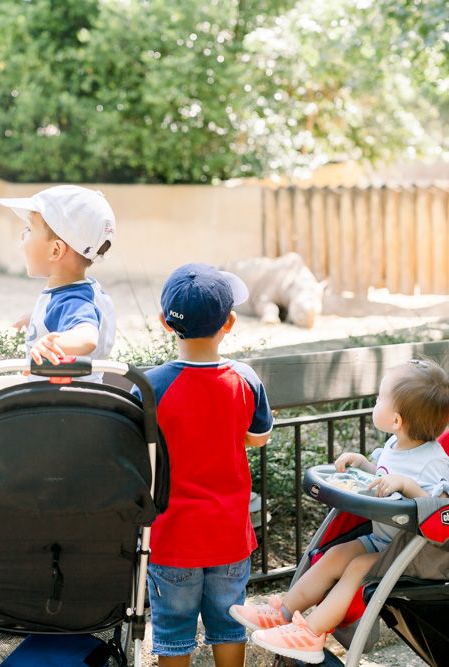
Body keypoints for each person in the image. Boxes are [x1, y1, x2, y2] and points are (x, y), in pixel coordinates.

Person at [231, 358, 449, 663]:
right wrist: (364, 465)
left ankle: (311, 634)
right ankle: (283, 612)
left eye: (379, 398)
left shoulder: (433, 463)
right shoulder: (396, 444)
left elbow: (445, 512)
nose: (375, 401)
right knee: (336, 554)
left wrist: (407, 485)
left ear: (396, 420)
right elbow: (383, 479)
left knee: (356, 567)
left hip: (420, 556)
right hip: (384, 541)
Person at [136, 263, 274, 667]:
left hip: (172, 538)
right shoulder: (245, 379)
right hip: (229, 535)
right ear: (229, 323)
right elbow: (258, 437)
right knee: (229, 625)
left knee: (173, 633)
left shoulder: (149, 386)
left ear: (165, 322)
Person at [0, 185, 116, 381]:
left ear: (55, 250)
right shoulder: (81, 290)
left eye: (29, 229)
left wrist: (54, 343)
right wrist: (34, 317)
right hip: (71, 396)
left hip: (59, 399)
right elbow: (64, 315)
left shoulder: (73, 300)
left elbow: (87, 336)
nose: (22, 235)